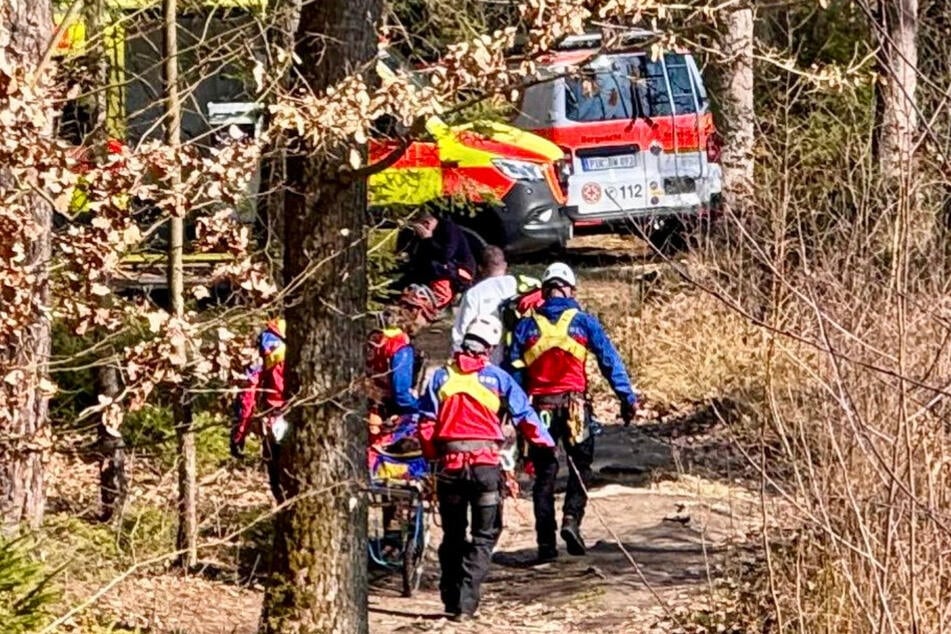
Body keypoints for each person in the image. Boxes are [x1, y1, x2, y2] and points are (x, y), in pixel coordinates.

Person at [418, 315, 555, 621]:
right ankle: (467, 601)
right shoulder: (498, 378)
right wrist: (546, 445)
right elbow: (526, 417)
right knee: (484, 535)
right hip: (485, 469)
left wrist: (431, 458)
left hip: (449, 469)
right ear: (489, 348)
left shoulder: (440, 378)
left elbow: (426, 424)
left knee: (453, 534)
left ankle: (451, 598)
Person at [507, 263, 638, 561]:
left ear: (544, 290)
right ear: (570, 289)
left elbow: (514, 375)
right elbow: (609, 361)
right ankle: (571, 520)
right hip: (575, 406)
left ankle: (545, 544)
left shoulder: (525, 326)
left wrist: (516, 415)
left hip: (538, 409)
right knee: (580, 465)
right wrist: (626, 398)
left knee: (544, 475)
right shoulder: (583, 322)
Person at [451, 245, 541, 365]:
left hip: (485, 364)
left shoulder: (474, 294)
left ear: (480, 268)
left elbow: (460, 333)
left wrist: (457, 362)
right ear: (505, 265)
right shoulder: (522, 287)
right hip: (518, 361)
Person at [232, 318, 288, 503]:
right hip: (303, 415)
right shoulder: (309, 340)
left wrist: (239, 434)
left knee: (278, 481)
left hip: (274, 417)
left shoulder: (263, 350)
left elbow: (248, 393)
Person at [407, 211, 476, 310]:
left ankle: (437, 300)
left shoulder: (449, 229)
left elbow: (445, 255)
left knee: (436, 265)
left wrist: (427, 239)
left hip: (458, 271)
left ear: (426, 224)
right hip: (440, 270)